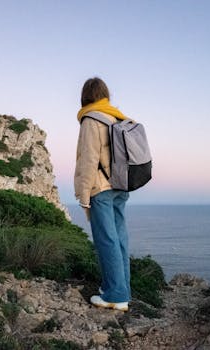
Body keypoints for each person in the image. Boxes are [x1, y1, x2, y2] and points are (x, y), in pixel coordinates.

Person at [74, 77, 130, 311]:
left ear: (85, 96)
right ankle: (121, 289)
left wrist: (83, 195)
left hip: (101, 188)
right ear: (106, 94)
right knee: (119, 239)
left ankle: (115, 296)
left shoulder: (91, 119)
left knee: (106, 240)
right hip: (121, 186)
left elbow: (88, 160)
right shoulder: (117, 117)